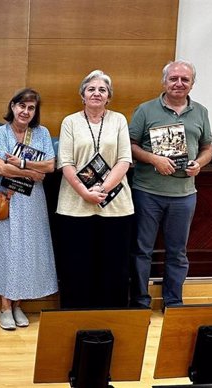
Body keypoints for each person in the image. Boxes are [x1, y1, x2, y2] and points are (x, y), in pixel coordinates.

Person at [129, 60, 212, 309]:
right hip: (147, 192)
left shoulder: (201, 111)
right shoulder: (145, 110)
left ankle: (173, 301)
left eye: (184, 80)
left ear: (192, 84)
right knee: (141, 250)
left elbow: (208, 147)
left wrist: (199, 163)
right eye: (173, 78)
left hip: (185, 195)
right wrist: (153, 158)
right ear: (164, 81)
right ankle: (140, 301)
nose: (178, 83)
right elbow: (130, 145)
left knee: (178, 252)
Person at [0, 88, 57, 330]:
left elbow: (51, 166)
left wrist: (21, 163)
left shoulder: (41, 133)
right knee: (7, 250)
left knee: (27, 251)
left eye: (31, 108)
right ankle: (4, 307)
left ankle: (18, 304)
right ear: (12, 107)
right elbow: (1, 168)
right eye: (21, 106)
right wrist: (32, 171)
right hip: (5, 198)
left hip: (31, 201)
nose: (25, 111)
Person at [55, 70, 134, 309]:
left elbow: (125, 159)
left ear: (108, 96)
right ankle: (75, 316)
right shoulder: (70, 121)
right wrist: (84, 192)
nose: (96, 93)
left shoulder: (118, 120)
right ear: (82, 95)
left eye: (102, 90)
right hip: (75, 205)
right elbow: (65, 162)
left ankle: (111, 316)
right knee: (76, 265)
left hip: (115, 206)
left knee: (114, 265)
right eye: (91, 89)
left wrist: (103, 189)